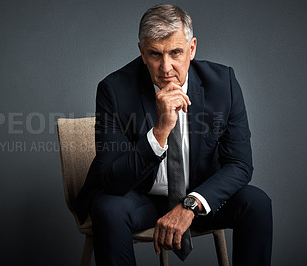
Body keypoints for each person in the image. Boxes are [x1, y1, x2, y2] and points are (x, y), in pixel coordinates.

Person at [74, 4, 272, 266]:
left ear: (192, 49)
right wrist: (160, 131)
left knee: (256, 203)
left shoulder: (223, 84)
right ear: (142, 52)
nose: (166, 68)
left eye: (176, 52)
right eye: (155, 54)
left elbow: (240, 165)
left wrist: (191, 204)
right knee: (108, 209)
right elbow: (112, 180)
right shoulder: (114, 90)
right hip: (140, 196)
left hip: (199, 195)